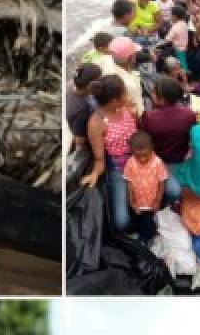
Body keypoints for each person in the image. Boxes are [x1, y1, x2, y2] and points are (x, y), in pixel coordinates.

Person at [81, 75, 138, 232]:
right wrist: (94, 174)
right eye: (124, 94)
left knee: (171, 191)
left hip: (138, 160)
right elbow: (99, 160)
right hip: (118, 168)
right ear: (114, 100)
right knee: (121, 221)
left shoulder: (125, 109)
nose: (127, 96)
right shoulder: (96, 123)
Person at [142, 76, 195, 184]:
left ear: (162, 99)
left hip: (158, 162)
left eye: (153, 93)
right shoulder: (189, 114)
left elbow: (145, 139)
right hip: (180, 161)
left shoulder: (149, 116)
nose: (151, 95)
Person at [123, 132, 171, 242]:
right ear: (132, 152)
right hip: (137, 203)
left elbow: (161, 183)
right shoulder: (130, 163)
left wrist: (157, 201)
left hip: (151, 203)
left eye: (145, 155)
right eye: (138, 156)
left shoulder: (158, 163)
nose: (142, 159)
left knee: (148, 226)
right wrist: (132, 202)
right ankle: (138, 234)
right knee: (134, 222)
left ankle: (146, 238)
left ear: (152, 148)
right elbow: (129, 183)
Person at [99, 37, 145, 118]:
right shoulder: (130, 84)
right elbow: (137, 108)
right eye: (134, 53)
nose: (136, 54)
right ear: (130, 58)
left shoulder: (104, 59)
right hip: (129, 115)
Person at [65, 63, 102, 152]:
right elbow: (79, 139)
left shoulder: (71, 86)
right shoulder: (83, 109)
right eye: (99, 79)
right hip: (88, 137)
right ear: (91, 85)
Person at [165, 4, 192, 71]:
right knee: (183, 64)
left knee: (181, 66)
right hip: (184, 47)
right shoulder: (184, 23)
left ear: (174, 16)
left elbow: (168, 39)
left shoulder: (175, 27)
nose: (170, 16)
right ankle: (184, 78)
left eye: (171, 15)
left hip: (178, 49)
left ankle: (184, 80)